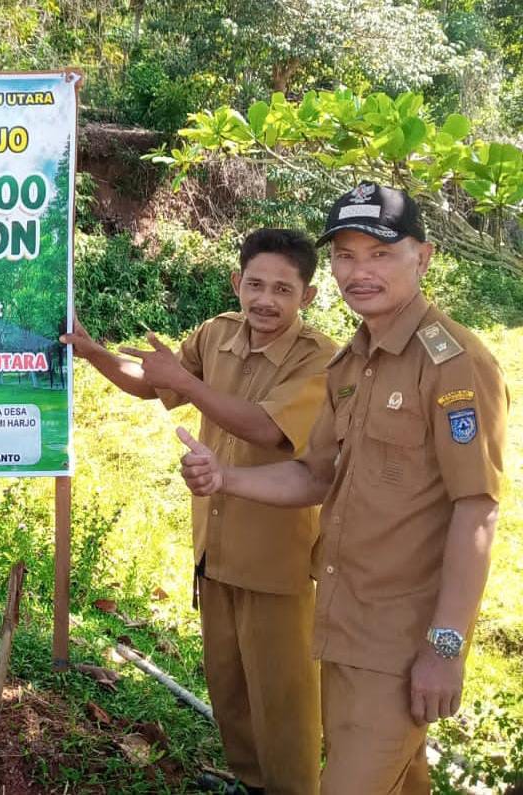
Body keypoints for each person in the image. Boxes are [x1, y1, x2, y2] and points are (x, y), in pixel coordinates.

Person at [178, 184, 508, 794]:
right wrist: (226, 478)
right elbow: (314, 476)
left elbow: (477, 509)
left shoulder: (454, 363)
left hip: (400, 641)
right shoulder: (353, 363)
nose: (360, 272)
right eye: (346, 256)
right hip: (341, 619)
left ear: (424, 257)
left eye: (380, 254)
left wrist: (444, 645)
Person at [63, 228, 336, 794]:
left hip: (276, 564)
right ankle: (249, 782)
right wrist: (93, 352)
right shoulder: (217, 333)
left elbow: (265, 426)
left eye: (282, 290)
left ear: (306, 297)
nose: (265, 299)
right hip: (214, 549)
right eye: (255, 284)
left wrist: (182, 379)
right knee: (229, 685)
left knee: (284, 703)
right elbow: (152, 383)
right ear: (236, 282)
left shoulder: (321, 360)